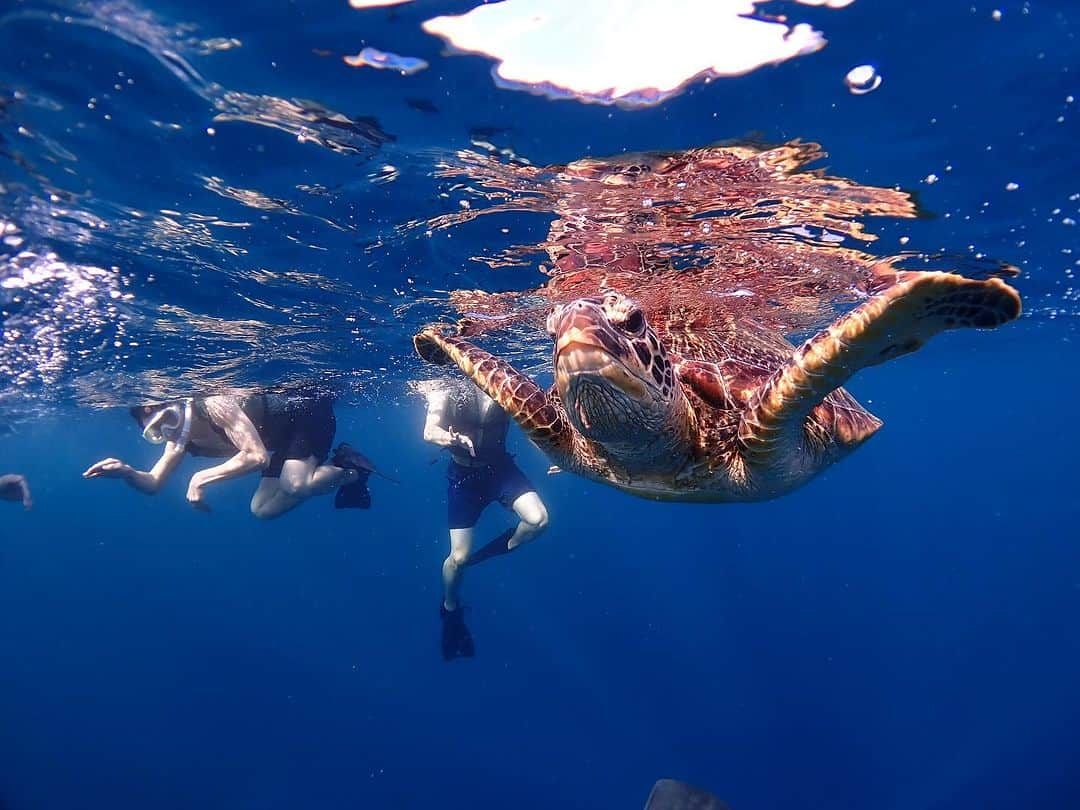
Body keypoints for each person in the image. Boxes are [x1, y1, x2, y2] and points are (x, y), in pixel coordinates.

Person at [83, 388, 376, 518]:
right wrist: (126, 472)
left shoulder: (215, 405)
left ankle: (355, 468)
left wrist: (200, 477)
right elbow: (153, 483)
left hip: (307, 413)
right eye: (158, 432)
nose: (170, 433)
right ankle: (349, 472)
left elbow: (256, 456)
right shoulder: (179, 441)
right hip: (282, 439)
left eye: (167, 420)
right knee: (262, 510)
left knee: (294, 485)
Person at [419, 378, 549, 661]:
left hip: (502, 470)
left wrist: (555, 456)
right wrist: (449, 438)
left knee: (538, 520)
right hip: (464, 480)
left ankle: (485, 555)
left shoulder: (505, 384)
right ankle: (450, 608)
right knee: (458, 558)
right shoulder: (446, 388)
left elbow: (531, 427)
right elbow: (429, 431)